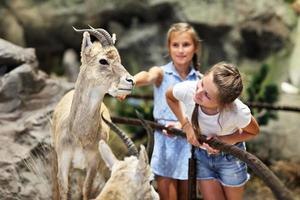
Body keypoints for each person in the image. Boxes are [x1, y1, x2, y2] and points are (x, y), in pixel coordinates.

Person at [121, 22, 202, 200]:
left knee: (187, 195)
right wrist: (132, 82)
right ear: (169, 47)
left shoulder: (200, 80)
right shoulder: (161, 73)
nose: (181, 50)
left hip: (189, 142)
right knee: (167, 195)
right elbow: (148, 76)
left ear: (195, 48)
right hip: (165, 143)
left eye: (186, 45)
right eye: (176, 45)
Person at [166, 62, 260, 200]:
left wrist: (224, 140)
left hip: (230, 158)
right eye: (202, 83)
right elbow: (169, 96)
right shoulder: (189, 89)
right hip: (202, 155)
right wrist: (185, 125)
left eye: (207, 96)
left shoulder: (236, 112)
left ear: (224, 104)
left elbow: (254, 131)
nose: (198, 93)